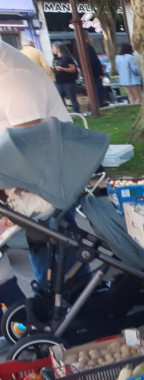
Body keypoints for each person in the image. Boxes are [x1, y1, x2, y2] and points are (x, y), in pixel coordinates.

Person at [0, 41, 73, 312]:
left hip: (43, 185)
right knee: (54, 259)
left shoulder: (13, 78)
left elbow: (31, 146)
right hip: (25, 184)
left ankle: (48, 316)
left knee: (59, 264)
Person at [51, 43, 80, 113]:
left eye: (53, 48)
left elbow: (73, 69)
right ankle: (64, 113)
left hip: (68, 82)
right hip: (59, 82)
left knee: (72, 98)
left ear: (58, 49)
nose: (52, 50)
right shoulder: (55, 59)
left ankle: (77, 112)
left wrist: (63, 69)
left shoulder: (66, 58)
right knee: (59, 98)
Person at [82, 34, 108, 109]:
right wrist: (99, 73)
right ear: (87, 38)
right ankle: (99, 105)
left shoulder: (81, 48)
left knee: (93, 92)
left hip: (88, 74)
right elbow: (94, 61)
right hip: (95, 75)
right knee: (98, 90)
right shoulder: (89, 47)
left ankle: (93, 106)